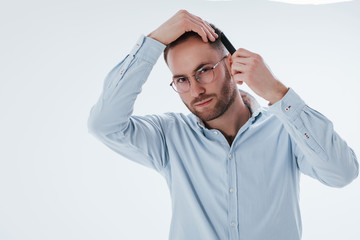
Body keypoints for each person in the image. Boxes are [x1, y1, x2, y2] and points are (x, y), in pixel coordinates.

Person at [87, 9, 359, 240]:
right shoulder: (168, 135)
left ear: (231, 65)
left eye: (204, 71)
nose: (195, 90)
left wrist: (277, 93)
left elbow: (342, 173)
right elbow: (104, 124)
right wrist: (153, 42)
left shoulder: (285, 128)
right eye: (181, 79)